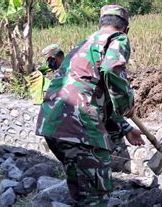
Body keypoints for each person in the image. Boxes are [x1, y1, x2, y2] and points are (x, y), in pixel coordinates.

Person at [35, 4, 145, 206]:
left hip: (53, 126)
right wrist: (126, 103)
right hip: (80, 130)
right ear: (126, 29)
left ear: (100, 23)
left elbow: (90, 95)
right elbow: (112, 69)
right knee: (96, 198)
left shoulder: (83, 46)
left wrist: (126, 128)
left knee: (83, 196)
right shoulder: (117, 39)